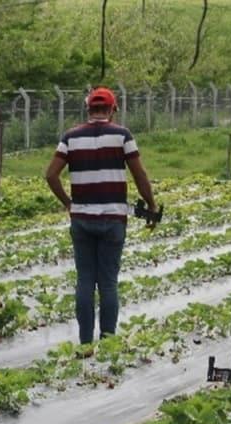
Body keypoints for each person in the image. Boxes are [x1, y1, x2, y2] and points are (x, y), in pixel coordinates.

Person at [45, 86, 158, 344]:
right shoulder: (122, 135)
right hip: (113, 219)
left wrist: (68, 203)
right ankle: (108, 343)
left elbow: (51, 175)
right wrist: (151, 205)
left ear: (88, 110)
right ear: (112, 109)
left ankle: (85, 344)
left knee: (85, 280)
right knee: (108, 282)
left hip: (82, 219)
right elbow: (139, 174)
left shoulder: (71, 137)